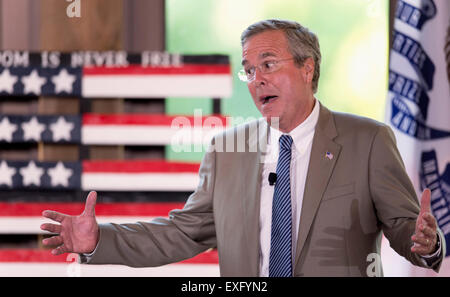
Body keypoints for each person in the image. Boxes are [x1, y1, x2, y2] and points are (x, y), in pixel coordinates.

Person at [40, 19, 445, 277]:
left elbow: (405, 230)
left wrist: (427, 243)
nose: (256, 79)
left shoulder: (368, 141)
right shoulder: (226, 150)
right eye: (249, 70)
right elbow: (181, 233)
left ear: (308, 69)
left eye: (268, 64)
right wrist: (99, 241)